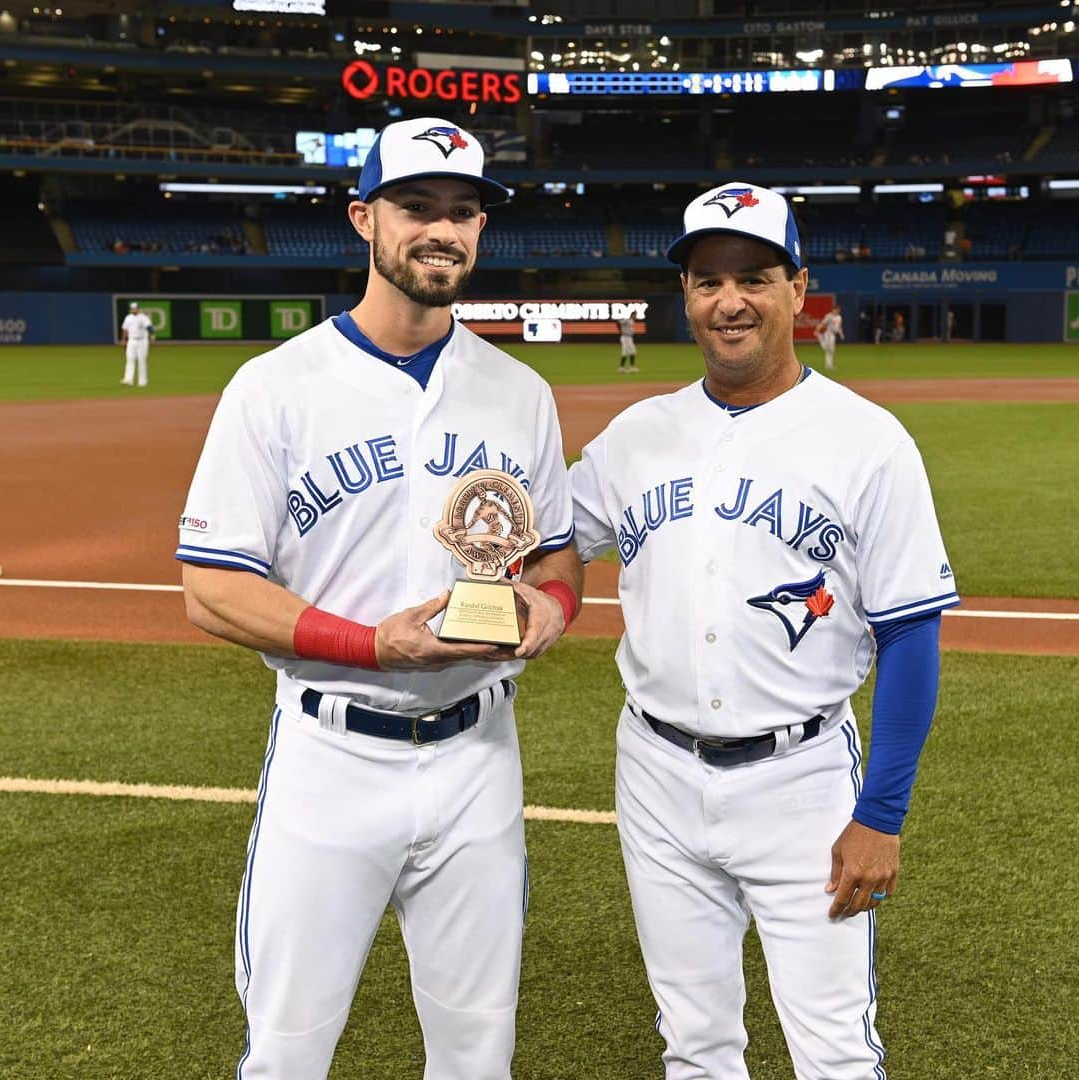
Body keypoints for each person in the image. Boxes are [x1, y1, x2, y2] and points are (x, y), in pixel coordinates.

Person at [176, 116, 583, 1080]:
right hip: (330, 754)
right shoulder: (274, 388)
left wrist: (552, 612)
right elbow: (210, 588)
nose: (442, 230)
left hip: (480, 755)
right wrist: (371, 644)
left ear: (481, 230)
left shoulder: (519, 391)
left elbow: (559, 558)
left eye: (463, 212)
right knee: (286, 1052)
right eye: (416, 207)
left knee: (479, 1053)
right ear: (364, 218)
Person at [569, 181, 958, 1079]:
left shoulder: (869, 441)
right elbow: (546, 538)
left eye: (753, 277)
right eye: (708, 281)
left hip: (804, 782)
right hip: (656, 775)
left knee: (833, 1054)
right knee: (695, 1046)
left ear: (797, 289)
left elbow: (910, 635)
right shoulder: (636, 436)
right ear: (687, 296)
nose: (728, 301)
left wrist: (881, 815)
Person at [119, 300, 154, 386]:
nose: (134, 310)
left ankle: (143, 381)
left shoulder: (143, 317)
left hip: (142, 341)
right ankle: (128, 379)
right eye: (132, 308)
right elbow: (125, 329)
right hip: (131, 340)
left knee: (142, 360)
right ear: (130, 309)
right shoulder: (128, 318)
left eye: (135, 308)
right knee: (130, 359)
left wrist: (152, 334)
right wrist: (123, 340)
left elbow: (149, 326)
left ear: (138, 309)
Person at [814, 303, 844, 371]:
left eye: (838, 310)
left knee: (831, 351)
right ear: (833, 310)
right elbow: (823, 323)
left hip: (833, 335)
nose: (837, 311)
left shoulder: (839, 317)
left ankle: (829, 365)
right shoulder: (829, 316)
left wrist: (841, 334)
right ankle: (820, 337)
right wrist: (817, 330)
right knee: (827, 349)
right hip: (828, 334)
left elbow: (839, 327)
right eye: (836, 310)